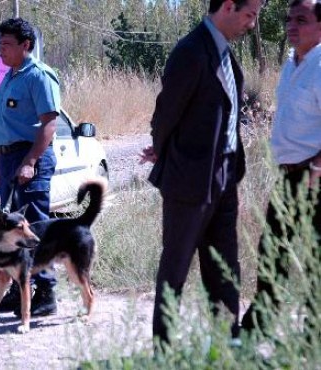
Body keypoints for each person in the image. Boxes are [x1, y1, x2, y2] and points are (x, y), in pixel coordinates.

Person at [139, 0, 263, 346]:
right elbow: (165, 113)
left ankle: (226, 342)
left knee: (224, 265)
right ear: (227, 6)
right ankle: (164, 349)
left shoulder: (223, 52)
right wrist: (162, 149)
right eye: (249, 15)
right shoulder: (191, 51)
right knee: (176, 266)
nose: (251, 24)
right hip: (190, 178)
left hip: (225, 175)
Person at [241, 0, 321, 334]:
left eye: (301, 19)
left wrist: (316, 172)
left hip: (315, 178)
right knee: (272, 250)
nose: (291, 25)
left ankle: (313, 334)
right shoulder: (291, 65)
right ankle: (260, 325)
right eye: (289, 19)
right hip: (289, 175)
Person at [0, 18, 61, 317]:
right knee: (11, 230)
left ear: (25, 45)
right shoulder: (11, 76)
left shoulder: (40, 76)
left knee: (33, 227)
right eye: (0, 44)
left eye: (7, 45)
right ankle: (21, 290)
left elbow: (49, 124)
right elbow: (5, 124)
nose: (1, 50)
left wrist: (30, 161)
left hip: (31, 158)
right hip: (8, 159)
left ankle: (46, 292)